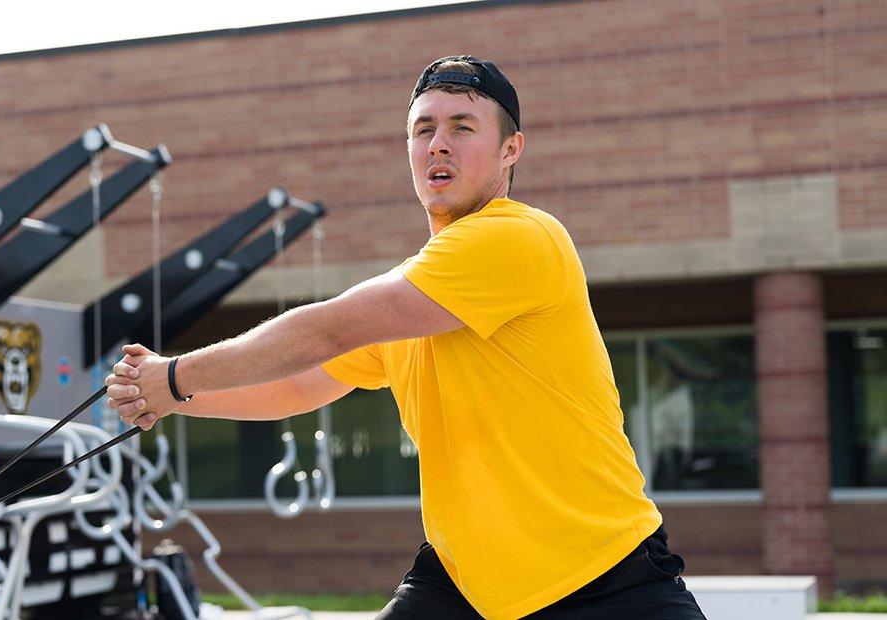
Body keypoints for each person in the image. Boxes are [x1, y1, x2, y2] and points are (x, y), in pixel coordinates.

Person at [106, 55, 706, 619]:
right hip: (467, 580)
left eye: (463, 126)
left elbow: (326, 329)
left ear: (510, 150)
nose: (438, 143)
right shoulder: (420, 300)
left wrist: (177, 376)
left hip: (601, 575)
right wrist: (171, 397)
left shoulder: (519, 238)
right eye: (423, 130)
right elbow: (298, 386)